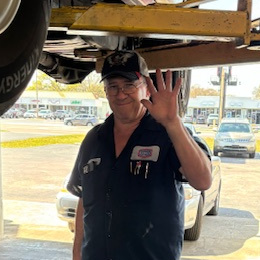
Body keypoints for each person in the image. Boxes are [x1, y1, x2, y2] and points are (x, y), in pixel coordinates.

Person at [67, 50, 212, 260]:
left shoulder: (169, 134)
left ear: (145, 87)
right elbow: (85, 200)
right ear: (106, 92)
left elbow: (203, 180)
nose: (120, 94)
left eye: (129, 85)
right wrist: (77, 252)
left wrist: (173, 123)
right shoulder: (94, 139)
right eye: (113, 86)